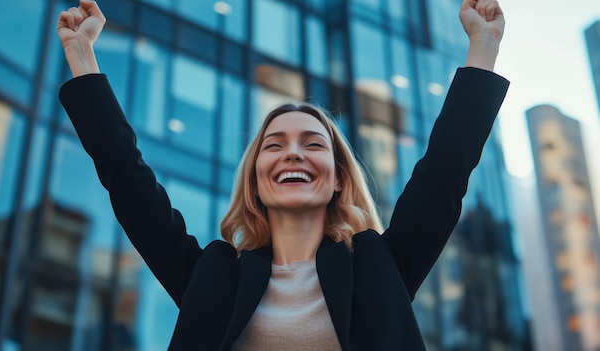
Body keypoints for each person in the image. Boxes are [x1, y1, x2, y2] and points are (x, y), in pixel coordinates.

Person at [56, 0, 508, 349]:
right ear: (256, 181)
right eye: (274, 145)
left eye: (313, 144)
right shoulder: (216, 276)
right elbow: (127, 178)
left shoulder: (376, 267)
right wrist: (80, 54)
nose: (293, 154)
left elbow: (444, 173)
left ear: (336, 179)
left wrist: (483, 46)